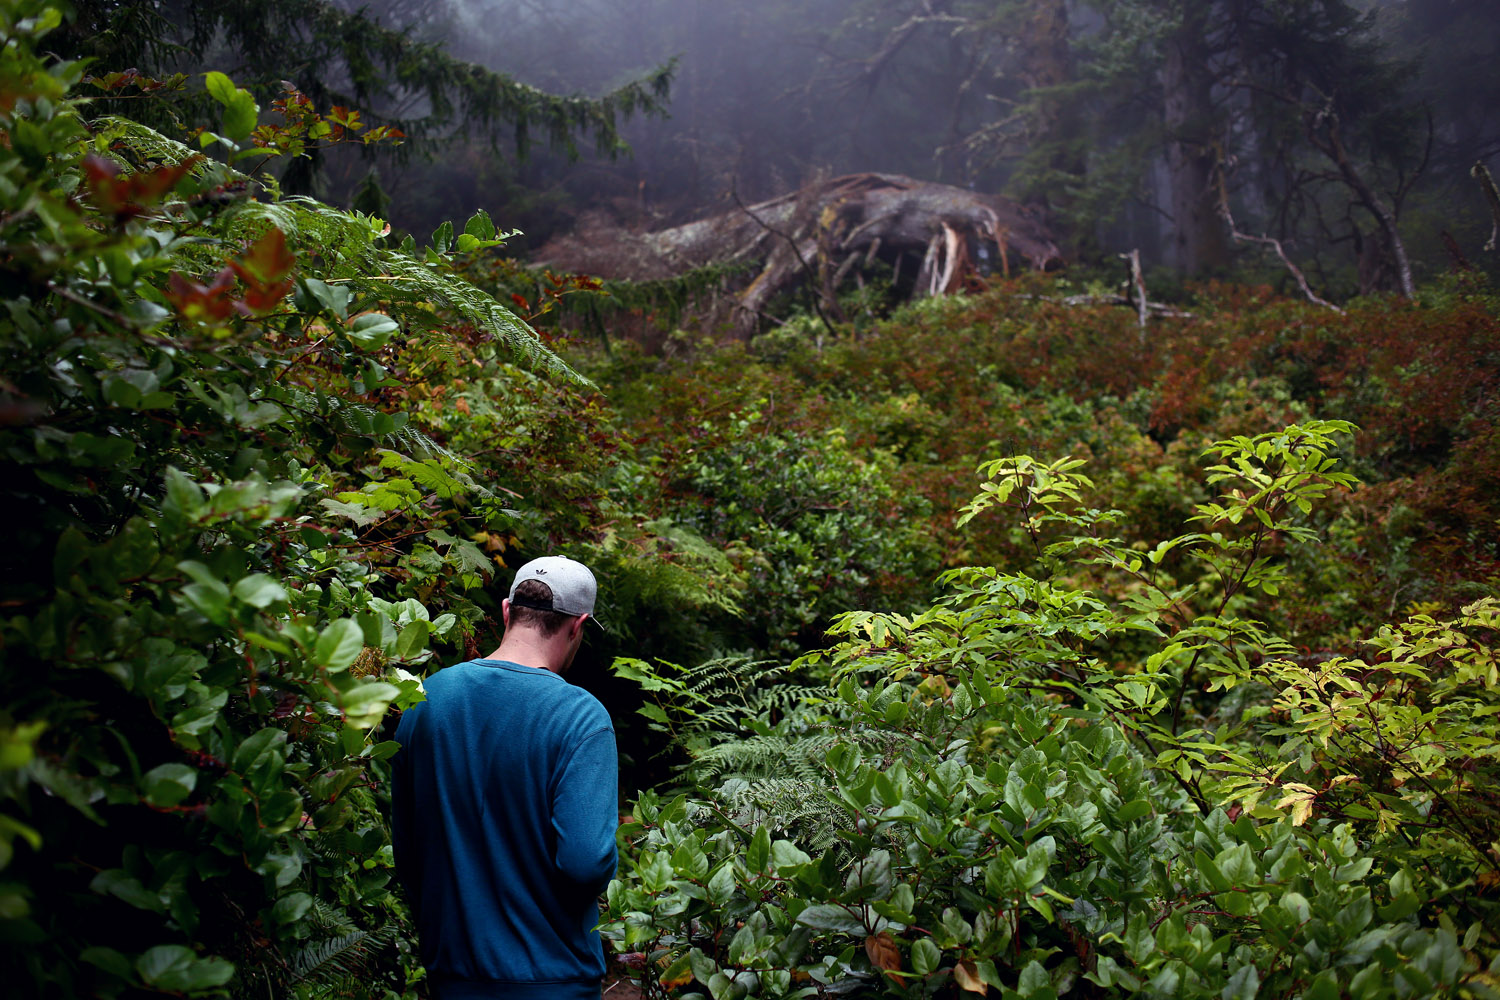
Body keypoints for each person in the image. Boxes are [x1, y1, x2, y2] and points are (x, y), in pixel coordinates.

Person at [391, 556, 618, 1000]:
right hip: (553, 977)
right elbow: (586, 861)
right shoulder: (579, 718)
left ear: (506, 610)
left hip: (451, 972)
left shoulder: (426, 699)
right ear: (579, 626)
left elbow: (409, 849)